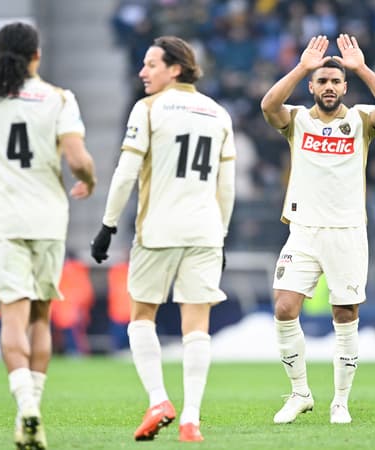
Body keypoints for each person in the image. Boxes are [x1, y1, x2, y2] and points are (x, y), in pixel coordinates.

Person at [0, 21, 96, 449]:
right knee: (40, 317)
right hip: (48, 222)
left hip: (3, 224)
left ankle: (24, 405)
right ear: (37, 56)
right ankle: (35, 407)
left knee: (12, 316)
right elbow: (78, 157)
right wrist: (90, 179)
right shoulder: (59, 99)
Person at [89, 35, 235, 443]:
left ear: (175, 68)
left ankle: (158, 400)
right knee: (197, 326)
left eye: (151, 64)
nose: (142, 72)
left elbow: (125, 173)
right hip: (206, 230)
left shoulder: (148, 109)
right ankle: (191, 418)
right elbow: (227, 186)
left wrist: (108, 224)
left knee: (141, 316)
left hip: (159, 230)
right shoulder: (218, 113)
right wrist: (220, 235)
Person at [260, 34, 375, 425]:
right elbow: (268, 105)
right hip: (303, 230)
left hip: (347, 230)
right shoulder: (297, 120)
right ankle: (300, 393)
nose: (328, 87)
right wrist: (302, 65)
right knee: (284, 307)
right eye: (321, 81)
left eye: (335, 81)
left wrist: (361, 68)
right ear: (312, 86)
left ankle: (340, 401)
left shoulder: (359, 120)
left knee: (344, 313)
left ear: (344, 87)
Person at [50, 253, 94, 355]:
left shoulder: (66, 272)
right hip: (71, 309)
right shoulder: (80, 272)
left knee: (73, 334)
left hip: (66, 309)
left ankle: (76, 352)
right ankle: (76, 352)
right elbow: (87, 294)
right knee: (77, 334)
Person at [106, 259, 132, 353]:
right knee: (123, 336)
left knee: (126, 335)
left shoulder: (116, 271)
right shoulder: (118, 271)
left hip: (124, 312)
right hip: (123, 312)